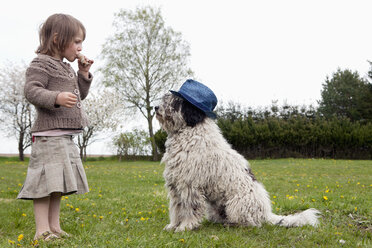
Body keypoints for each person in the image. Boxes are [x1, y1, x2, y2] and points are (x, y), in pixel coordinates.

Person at [17, 13, 94, 243]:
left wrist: (82, 74)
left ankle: (54, 226)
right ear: (58, 39)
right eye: (77, 41)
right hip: (48, 136)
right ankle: (41, 231)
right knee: (44, 182)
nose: (80, 47)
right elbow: (31, 91)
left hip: (64, 135)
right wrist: (56, 97)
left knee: (56, 183)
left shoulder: (66, 68)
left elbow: (79, 95)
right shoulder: (41, 63)